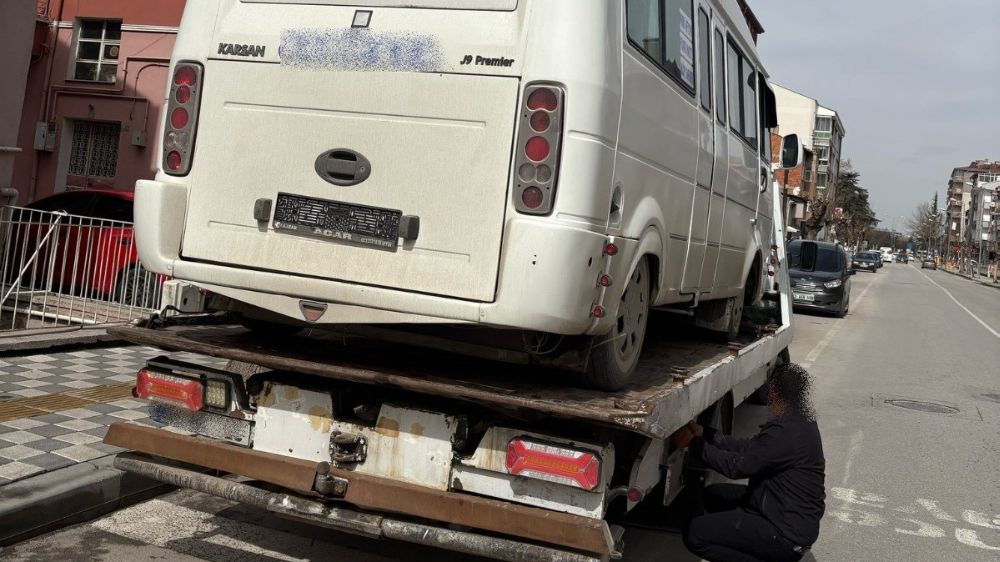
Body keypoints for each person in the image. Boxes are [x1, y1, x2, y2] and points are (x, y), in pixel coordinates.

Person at [674, 363, 826, 562]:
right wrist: (706, 434)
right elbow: (751, 448)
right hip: (779, 510)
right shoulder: (799, 420)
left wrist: (693, 445)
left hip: (785, 534)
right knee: (713, 496)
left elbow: (737, 467)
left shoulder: (787, 432)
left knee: (695, 534)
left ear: (776, 392)